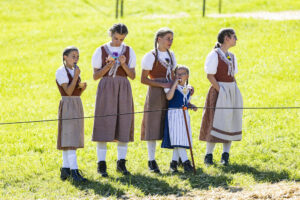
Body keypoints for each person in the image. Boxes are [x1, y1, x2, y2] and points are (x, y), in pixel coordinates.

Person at [92, 23, 136, 177]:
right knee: (104, 122)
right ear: (110, 34)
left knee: (123, 122)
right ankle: (101, 164)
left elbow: (132, 76)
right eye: (116, 38)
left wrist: (123, 64)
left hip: (123, 88)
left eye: (122, 39)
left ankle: (121, 163)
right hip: (106, 88)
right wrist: (108, 66)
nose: (118, 42)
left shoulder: (129, 51)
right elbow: (95, 76)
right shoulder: (101, 50)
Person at [199, 28, 243, 166]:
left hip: (230, 91)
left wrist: (235, 90)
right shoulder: (214, 55)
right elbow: (210, 75)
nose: (236, 39)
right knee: (214, 122)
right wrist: (221, 91)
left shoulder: (232, 56)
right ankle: (209, 155)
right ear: (226, 38)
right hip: (219, 91)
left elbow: (232, 75)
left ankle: (225, 155)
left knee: (229, 121)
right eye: (234, 37)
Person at [140, 27, 177, 173]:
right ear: (159, 39)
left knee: (171, 121)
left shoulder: (171, 55)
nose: (170, 41)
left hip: (170, 91)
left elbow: (174, 75)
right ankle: (151, 160)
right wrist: (162, 84)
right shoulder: (150, 56)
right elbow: (143, 79)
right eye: (168, 38)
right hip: (155, 92)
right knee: (153, 124)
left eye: (172, 39)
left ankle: (176, 160)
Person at [55, 46, 87, 182]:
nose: (76, 59)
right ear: (65, 57)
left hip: (76, 103)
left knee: (71, 136)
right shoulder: (61, 72)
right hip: (68, 104)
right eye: (73, 56)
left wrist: (82, 88)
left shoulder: (74, 71)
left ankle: (65, 169)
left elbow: (75, 91)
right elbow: (67, 91)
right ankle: (74, 171)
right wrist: (75, 78)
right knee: (69, 137)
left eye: (77, 56)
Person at [161, 65, 197, 173]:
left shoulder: (189, 89)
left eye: (182, 74)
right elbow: (169, 97)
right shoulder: (171, 86)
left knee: (181, 139)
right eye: (177, 74)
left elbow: (185, 101)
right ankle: (186, 163)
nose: (179, 76)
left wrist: (191, 106)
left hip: (184, 115)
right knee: (177, 138)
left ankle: (173, 164)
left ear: (187, 76)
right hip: (174, 114)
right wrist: (175, 84)